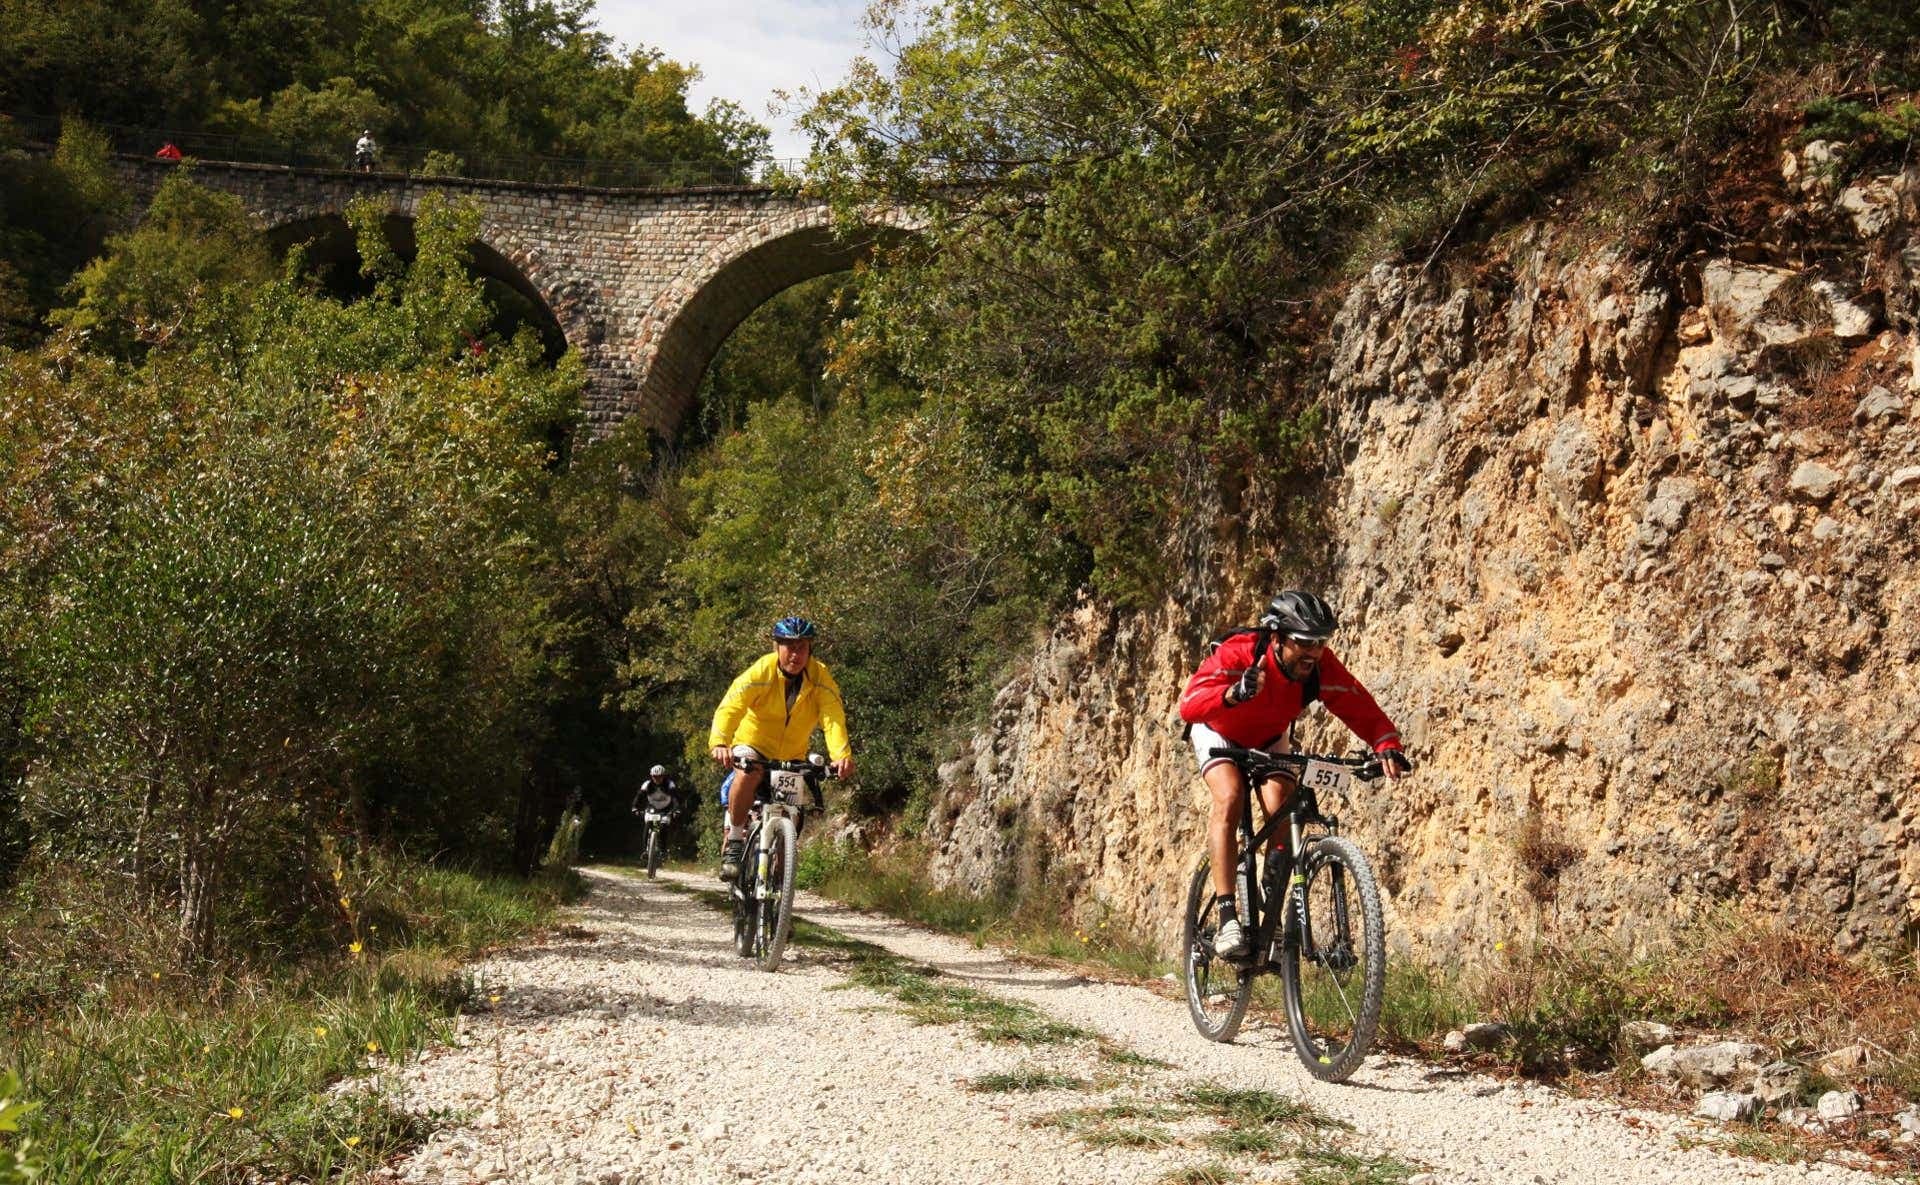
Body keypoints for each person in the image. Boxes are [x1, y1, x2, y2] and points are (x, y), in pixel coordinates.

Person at [1178, 590, 1411, 959]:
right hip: (1217, 730)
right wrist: (1233, 695)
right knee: (1230, 796)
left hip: (1270, 738)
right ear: (1277, 637)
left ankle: (1269, 899)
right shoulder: (1240, 653)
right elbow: (1189, 705)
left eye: (1320, 642)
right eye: (1304, 642)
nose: (1313, 652)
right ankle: (1227, 918)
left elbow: (1357, 703)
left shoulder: (1319, 668)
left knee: (1282, 808)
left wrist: (1386, 742)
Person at [708, 616, 853, 882]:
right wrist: (719, 742)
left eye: (802, 647)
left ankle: (778, 895)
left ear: (810, 649)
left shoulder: (820, 677)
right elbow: (731, 706)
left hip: (792, 755)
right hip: (753, 743)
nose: (796, 654)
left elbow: (833, 717)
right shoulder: (761, 671)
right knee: (748, 772)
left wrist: (841, 755)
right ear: (777, 647)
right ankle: (736, 839)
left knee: (791, 814)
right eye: (789, 646)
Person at [631, 764, 682, 828]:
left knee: (664, 825)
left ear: (663, 776)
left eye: (659, 776)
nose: (657, 779)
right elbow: (639, 796)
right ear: (651, 776)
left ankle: (662, 837)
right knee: (648, 821)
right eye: (655, 776)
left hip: (666, 809)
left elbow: (675, 798)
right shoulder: (647, 784)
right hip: (652, 808)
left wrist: (676, 809)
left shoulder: (669, 784)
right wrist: (634, 807)